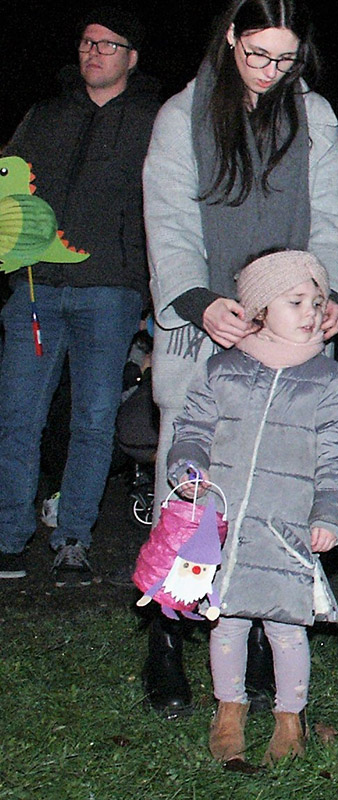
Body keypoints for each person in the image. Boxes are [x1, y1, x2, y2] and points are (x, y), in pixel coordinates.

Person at [142, 0, 338, 717]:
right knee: (195, 486)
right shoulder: (184, 116)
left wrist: (330, 293)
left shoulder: (314, 117)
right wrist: (198, 299)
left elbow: (334, 213)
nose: (270, 72)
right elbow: (169, 219)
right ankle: (168, 637)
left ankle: (262, 634)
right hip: (207, 327)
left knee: (281, 486)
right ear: (231, 36)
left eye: (286, 59)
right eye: (257, 54)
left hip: (289, 331)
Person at [167, 250, 338, 765]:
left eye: (318, 302)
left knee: (286, 626)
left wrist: (331, 515)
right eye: (295, 300)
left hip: (287, 527)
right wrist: (187, 470)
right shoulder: (222, 370)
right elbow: (193, 430)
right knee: (225, 620)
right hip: (224, 525)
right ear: (257, 310)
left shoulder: (331, 383)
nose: (312, 312)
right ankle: (229, 709)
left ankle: (288, 716)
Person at [0, 7, 159, 586]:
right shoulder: (44, 116)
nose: (94, 52)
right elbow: (9, 184)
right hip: (37, 290)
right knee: (18, 418)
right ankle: (8, 536)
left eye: (108, 44)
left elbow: (164, 207)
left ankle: (73, 539)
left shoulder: (151, 121)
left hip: (111, 292)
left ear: (131, 57)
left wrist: (145, 283)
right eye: (88, 42)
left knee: (93, 422)